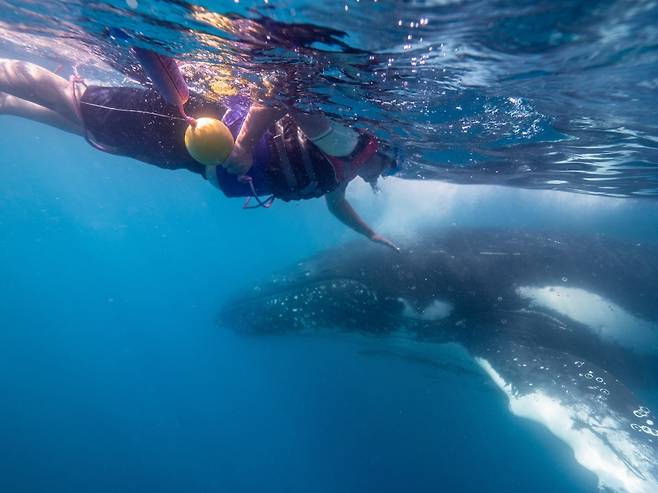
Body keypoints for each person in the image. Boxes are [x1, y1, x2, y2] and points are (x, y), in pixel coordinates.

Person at [0, 58, 400, 250]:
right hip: (199, 129)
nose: (385, 176)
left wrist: (370, 234)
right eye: (392, 167)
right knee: (79, 103)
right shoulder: (347, 146)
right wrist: (243, 145)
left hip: (195, 159)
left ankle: (7, 103)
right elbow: (283, 95)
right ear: (383, 152)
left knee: (90, 125)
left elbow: (336, 206)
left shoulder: (342, 171)